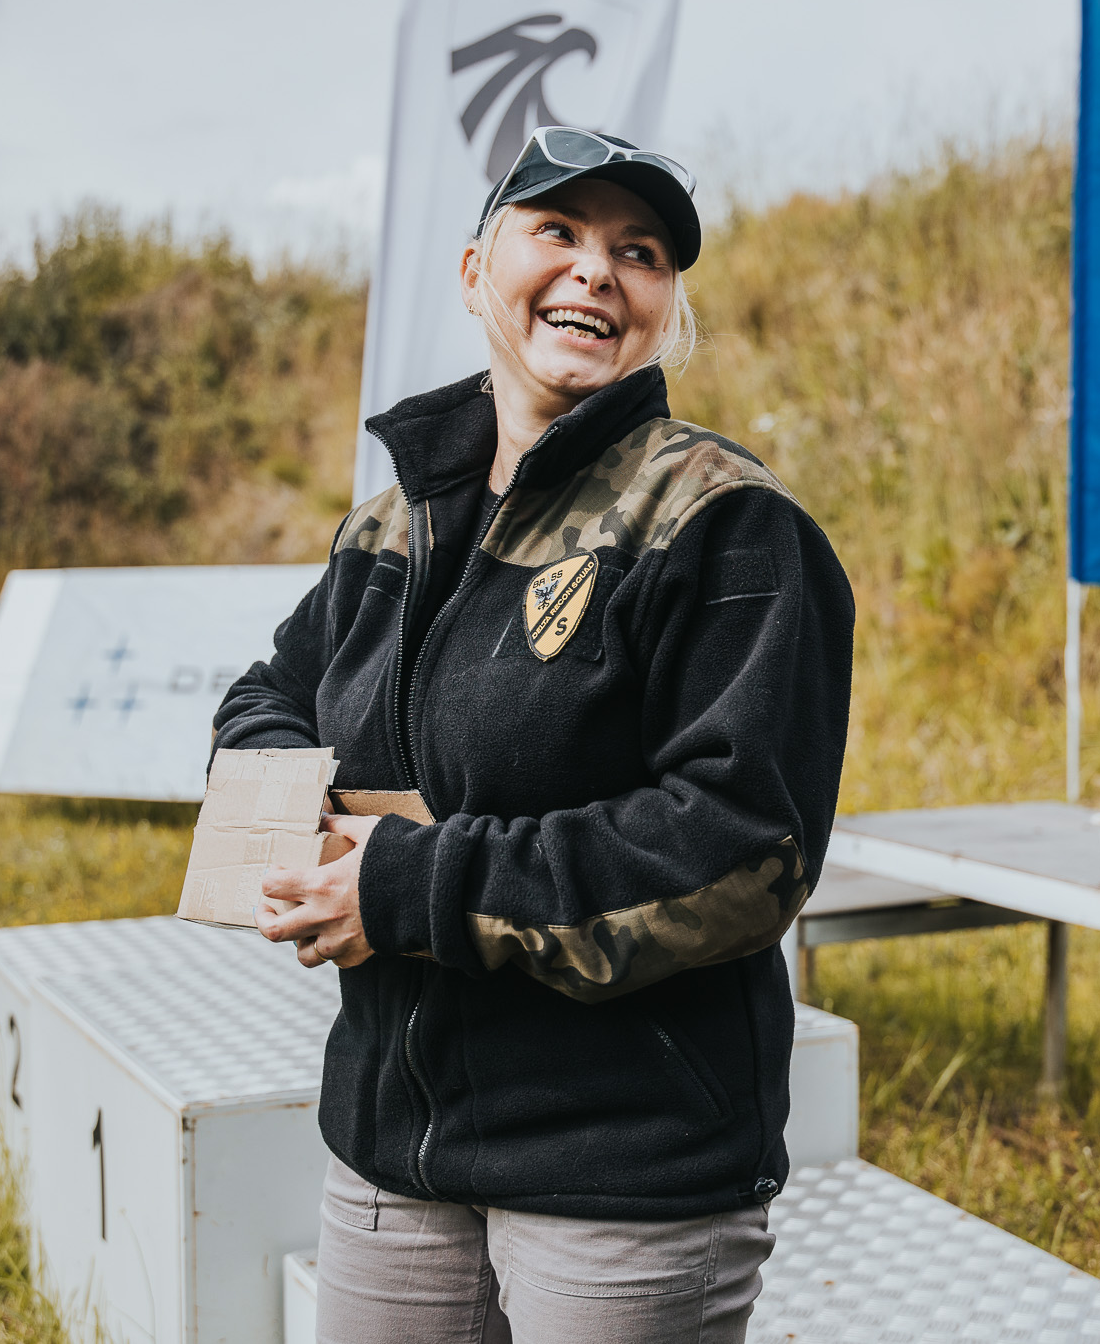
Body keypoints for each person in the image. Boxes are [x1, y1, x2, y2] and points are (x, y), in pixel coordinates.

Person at [210, 128, 856, 1343]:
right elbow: (265, 695)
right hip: (393, 1151)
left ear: (664, 305)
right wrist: (286, 814)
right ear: (473, 271)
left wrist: (405, 888)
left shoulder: (727, 527)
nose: (594, 272)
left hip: (622, 1172)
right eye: (555, 232)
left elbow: (735, 852)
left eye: (639, 251)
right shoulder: (389, 528)